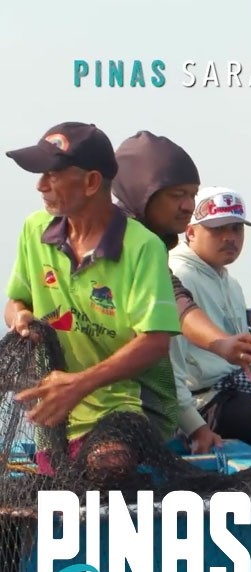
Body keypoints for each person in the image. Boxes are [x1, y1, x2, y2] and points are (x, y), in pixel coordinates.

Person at [3, 122, 181, 477]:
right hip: (52, 416)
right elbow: (15, 302)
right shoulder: (34, 231)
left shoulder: (142, 247)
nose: (41, 185)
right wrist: (20, 317)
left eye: (52, 174)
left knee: (108, 465)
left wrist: (79, 384)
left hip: (123, 410)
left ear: (91, 182)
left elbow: (155, 341)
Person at [113, 131, 251, 372]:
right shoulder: (121, 241)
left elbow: (177, 302)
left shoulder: (153, 248)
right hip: (185, 397)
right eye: (177, 195)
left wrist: (226, 346)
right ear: (143, 192)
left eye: (192, 195)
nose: (187, 206)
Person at [168, 186, 251, 454]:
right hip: (203, 404)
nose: (229, 237)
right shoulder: (178, 275)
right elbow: (167, 369)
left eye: (236, 228)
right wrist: (194, 426)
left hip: (233, 393)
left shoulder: (230, 282)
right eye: (217, 229)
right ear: (190, 232)